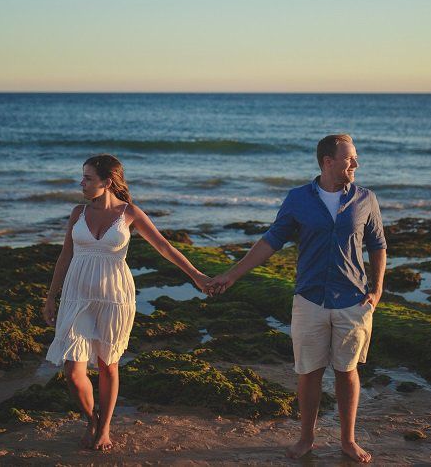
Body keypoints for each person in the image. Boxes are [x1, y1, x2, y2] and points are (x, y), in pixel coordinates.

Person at [207, 134, 387, 463]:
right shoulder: (297, 199)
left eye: (356, 158)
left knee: (347, 371)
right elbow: (270, 242)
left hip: (353, 300)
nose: (356, 165)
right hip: (309, 300)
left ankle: (348, 440)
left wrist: (376, 290)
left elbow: (378, 245)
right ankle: (307, 438)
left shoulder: (365, 199)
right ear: (328, 162)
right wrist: (232, 275)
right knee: (309, 372)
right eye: (350, 159)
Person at [42, 154, 210, 451]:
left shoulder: (129, 213)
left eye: (88, 178)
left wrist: (196, 275)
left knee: (109, 365)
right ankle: (91, 420)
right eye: (82, 177)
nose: (81, 183)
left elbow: (164, 247)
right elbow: (65, 256)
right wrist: (50, 297)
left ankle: (104, 428)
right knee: (72, 369)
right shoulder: (77, 212)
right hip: (76, 295)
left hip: (114, 297)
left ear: (106, 182)